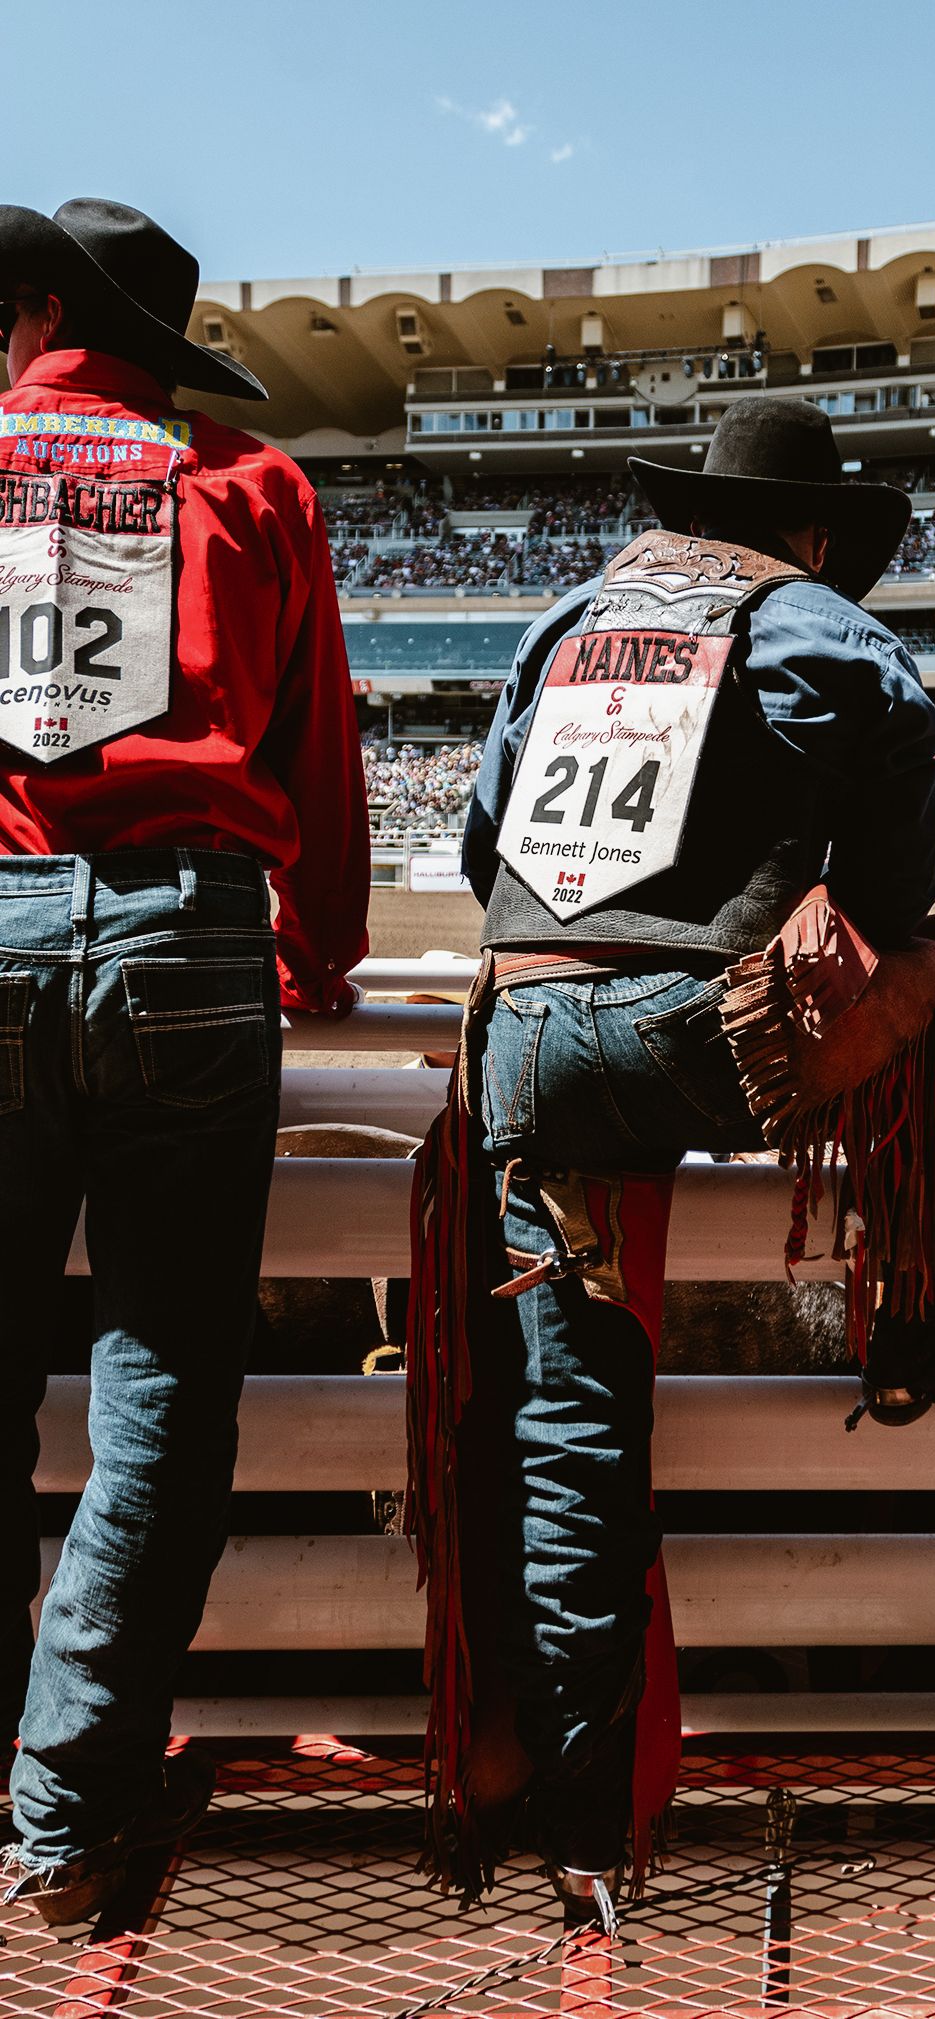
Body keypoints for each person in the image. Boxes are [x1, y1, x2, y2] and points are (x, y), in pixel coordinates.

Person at [409, 396, 935, 1928]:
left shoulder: (564, 618)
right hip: (699, 1039)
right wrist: (858, 914)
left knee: (570, 1435)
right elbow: (898, 804)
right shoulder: (815, 620)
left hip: (522, 1039)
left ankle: (581, 1820)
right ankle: (917, 1305)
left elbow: (478, 851)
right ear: (811, 530)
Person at [0, 199, 369, 1926]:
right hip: (192, 933)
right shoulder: (253, 484)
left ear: (40, 313)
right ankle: (67, 1812)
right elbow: (321, 753)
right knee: (158, 1393)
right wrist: (320, 952)